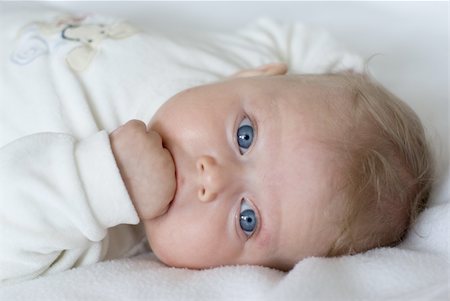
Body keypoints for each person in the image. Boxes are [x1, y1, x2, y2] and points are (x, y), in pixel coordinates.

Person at [0, 63, 433, 284]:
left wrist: (101, 183)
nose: (214, 179)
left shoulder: (97, 236)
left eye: (249, 219)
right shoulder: (231, 65)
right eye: (245, 135)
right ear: (259, 72)